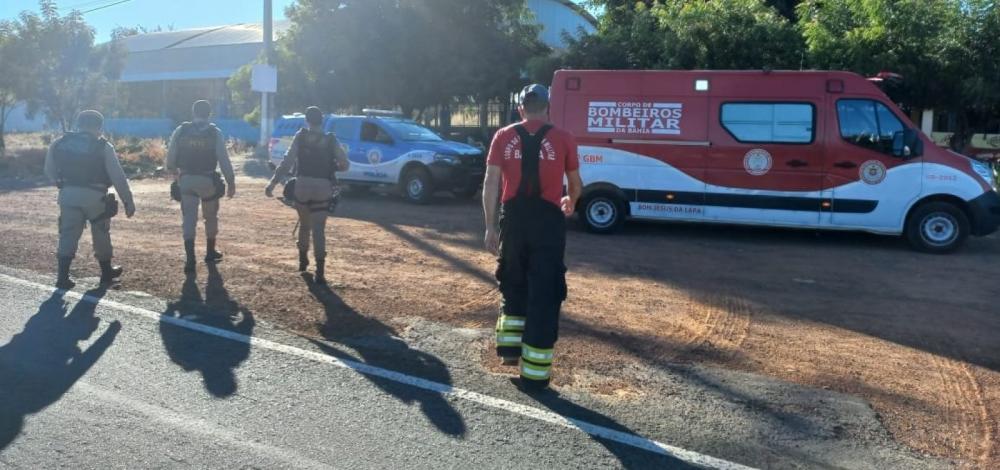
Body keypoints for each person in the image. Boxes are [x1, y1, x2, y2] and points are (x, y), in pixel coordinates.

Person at [482, 84, 583, 392]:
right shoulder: (564, 138)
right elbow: (575, 183)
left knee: (512, 280)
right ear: (547, 108)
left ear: (521, 108)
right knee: (545, 290)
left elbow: (490, 182)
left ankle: (510, 351)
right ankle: (535, 374)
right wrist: (571, 201)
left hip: (513, 220)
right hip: (548, 223)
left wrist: (489, 226)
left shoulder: (503, 136)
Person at [44, 110, 136, 289]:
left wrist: (62, 183)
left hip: (68, 195)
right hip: (96, 196)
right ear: (99, 126)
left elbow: (49, 169)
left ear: (79, 124)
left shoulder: (60, 143)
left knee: (68, 234)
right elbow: (118, 176)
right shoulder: (103, 146)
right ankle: (106, 272)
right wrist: (128, 201)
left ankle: (62, 276)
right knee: (101, 233)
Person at [265, 106, 349, 284]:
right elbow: (345, 164)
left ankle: (303, 261)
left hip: (302, 185)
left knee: (304, 226)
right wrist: (334, 167)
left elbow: (287, 163)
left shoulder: (300, 136)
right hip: (323, 187)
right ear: (322, 120)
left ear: (307, 120)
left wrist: (272, 183)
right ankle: (320, 271)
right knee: (318, 229)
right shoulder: (331, 140)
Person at [166, 100, 236, 274]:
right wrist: (231, 182)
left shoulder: (181, 130)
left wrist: (175, 174)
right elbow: (224, 160)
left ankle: (190, 258)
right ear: (209, 114)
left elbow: (170, 159)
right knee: (210, 217)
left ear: (193, 112)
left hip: (186, 180)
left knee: (189, 219)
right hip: (207, 180)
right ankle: (210, 252)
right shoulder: (214, 133)